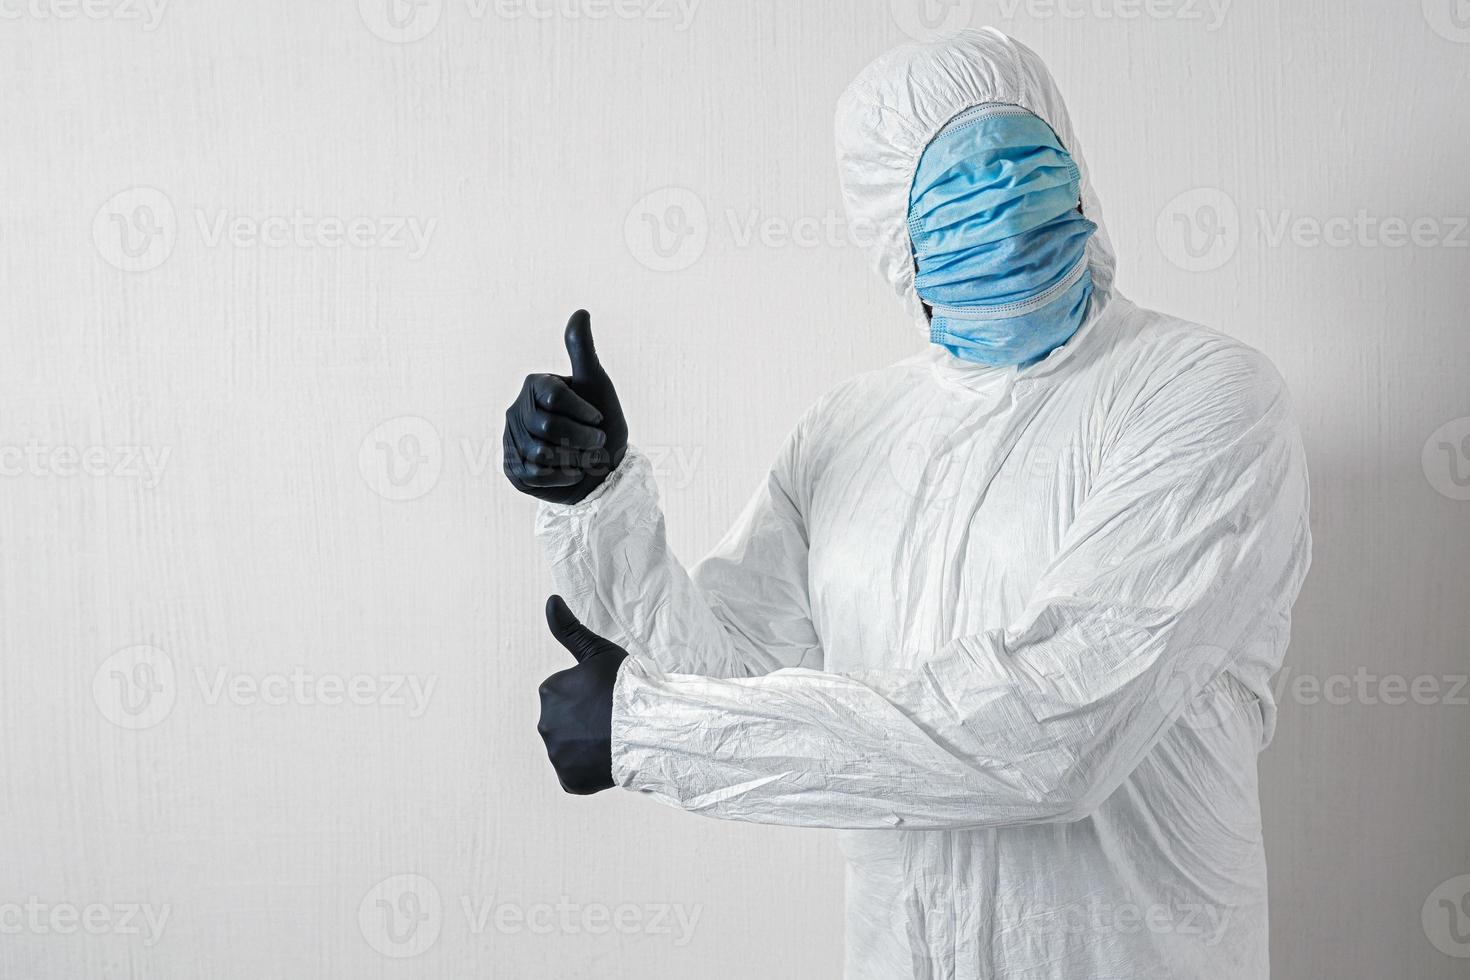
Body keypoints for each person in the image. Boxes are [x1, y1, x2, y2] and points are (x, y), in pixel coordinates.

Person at [504, 28, 1310, 980]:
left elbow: (1055, 734)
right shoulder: (852, 429)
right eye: (953, 193)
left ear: (1077, 170)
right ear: (894, 234)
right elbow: (730, 681)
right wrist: (597, 501)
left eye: (1021, 166)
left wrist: (649, 730)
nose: (1002, 217)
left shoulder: (1203, 395)